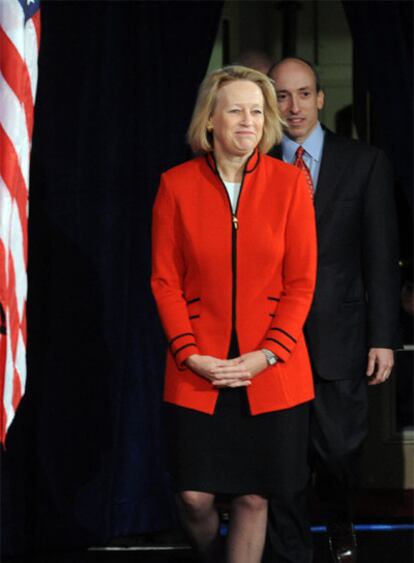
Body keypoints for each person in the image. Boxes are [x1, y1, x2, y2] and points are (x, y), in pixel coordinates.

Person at [151, 65, 317, 563]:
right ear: (210, 122)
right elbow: (165, 281)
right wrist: (190, 354)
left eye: (257, 111)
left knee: (252, 495)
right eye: (236, 110)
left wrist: (268, 354)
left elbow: (301, 283)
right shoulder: (175, 186)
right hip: (198, 368)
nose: (249, 121)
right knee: (194, 498)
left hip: (271, 369)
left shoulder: (290, 185)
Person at [266, 57, 400, 563]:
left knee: (340, 451)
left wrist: (383, 336)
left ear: (321, 98)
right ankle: (293, 550)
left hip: (339, 335)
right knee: (284, 461)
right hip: (273, 338)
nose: (293, 106)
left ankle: (339, 514)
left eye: (303, 94)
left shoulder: (364, 163)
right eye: (282, 95)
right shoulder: (256, 164)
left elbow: (380, 257)